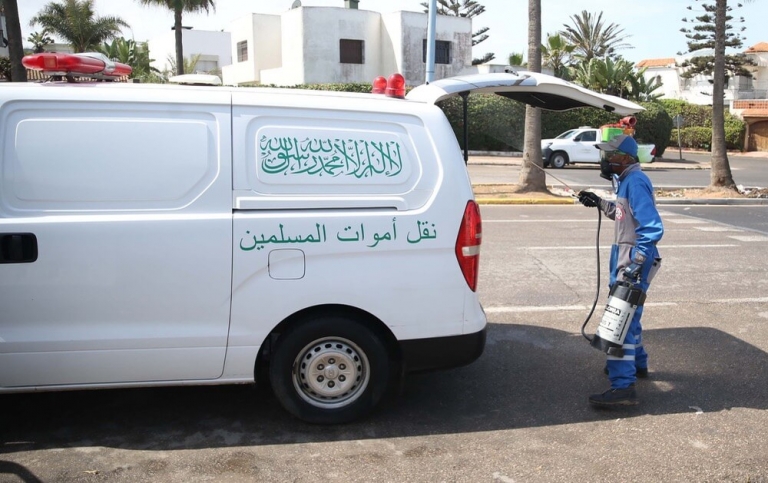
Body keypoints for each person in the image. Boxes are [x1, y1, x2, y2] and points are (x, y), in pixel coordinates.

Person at [577, 134, 664, 407]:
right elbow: (623, 214)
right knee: (630, 316)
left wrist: (636, 264)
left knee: (620, 322)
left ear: (624, 158)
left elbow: (652, 227)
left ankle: (622, 386)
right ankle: (638, 364)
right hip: (627, 257)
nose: (605, 160)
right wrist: (599, 202)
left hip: (633, 260)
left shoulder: (635, 181)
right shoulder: (626, 181)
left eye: (610, 155)